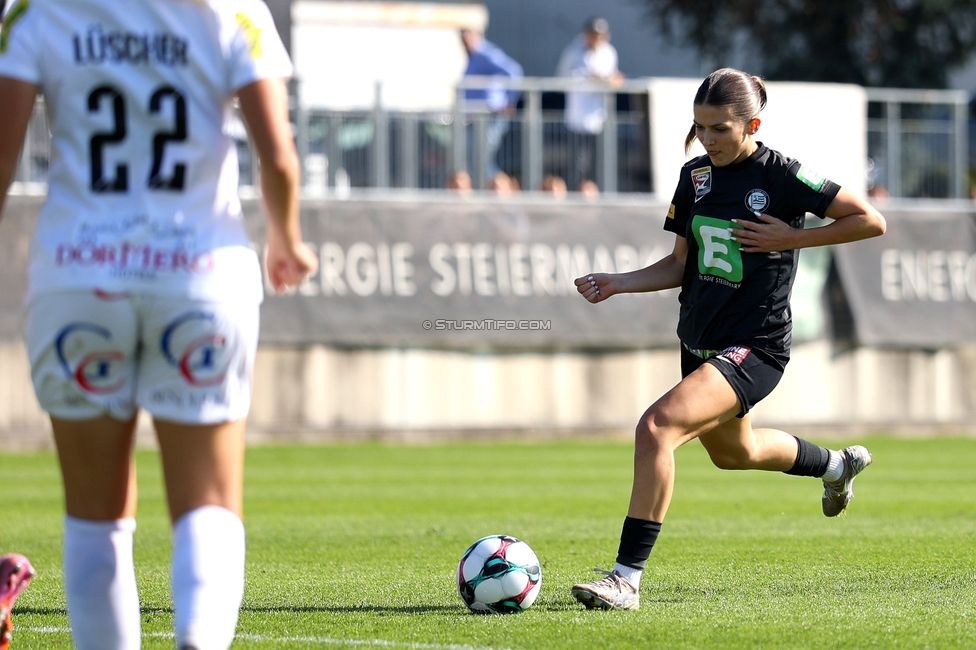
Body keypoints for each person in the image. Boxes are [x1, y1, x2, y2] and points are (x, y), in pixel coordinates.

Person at [0, 1, 319, 648]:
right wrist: (285, 238)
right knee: (207, 504)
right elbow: (279, 161)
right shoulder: (231, 7)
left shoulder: (36, 7)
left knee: (96, 519)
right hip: (198, 276)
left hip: (79, 278)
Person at [570, 68, 886, 611]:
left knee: (656, 429)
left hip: (754, 345)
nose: (708, 139)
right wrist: (619, 282)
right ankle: (836, 465)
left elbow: (870, 220)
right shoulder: (695, 177)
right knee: (735, 453)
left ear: (751, 124)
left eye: (719, 128)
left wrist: (794, 237)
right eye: (700, 128)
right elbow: (678, 265)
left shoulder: (785, 174)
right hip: (700, 340)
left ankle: (625, 579)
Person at [556, 17, 624, 191]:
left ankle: (597, 194)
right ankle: (575, 194)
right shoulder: (573, 51)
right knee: (577, 163)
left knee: (599, 162)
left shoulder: (609, 52)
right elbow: (562, 78)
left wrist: (609, 80)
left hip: (599, 116)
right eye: (593, 34)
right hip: (578, 116)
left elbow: (612, 77)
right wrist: (588, 78)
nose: (596, 39)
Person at [460, 28, 523, 187]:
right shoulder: (473, 56)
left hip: (491, 115)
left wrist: (510, 100)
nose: (464, 38)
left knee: (483, 157)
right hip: (477, 117)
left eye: (468, 33)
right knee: (477, 157)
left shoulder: (486, 53)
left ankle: (500, 190)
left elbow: (514, 71)